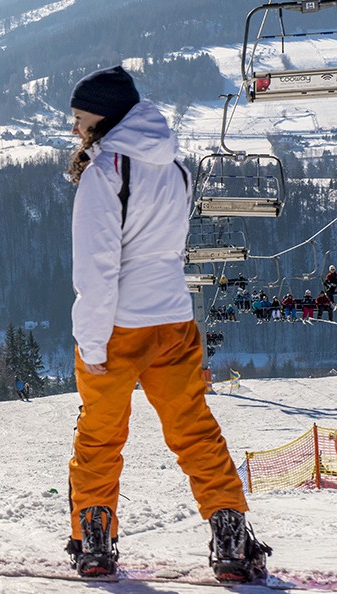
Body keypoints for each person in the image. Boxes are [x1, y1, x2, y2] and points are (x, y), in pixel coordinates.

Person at [64, 65, 270, 582]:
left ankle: (94, 538)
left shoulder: (105, 173)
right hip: (175, 319)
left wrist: (92, 343)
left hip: (118, 326)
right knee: (194, 430)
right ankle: (230, 535)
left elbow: (96, 269)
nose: (75, 128)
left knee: (99, 436)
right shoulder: (176, 169)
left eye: (81, 117)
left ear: (105, 117)